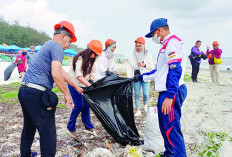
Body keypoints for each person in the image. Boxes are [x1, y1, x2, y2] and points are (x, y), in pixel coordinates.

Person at [18, 21, 83, 157]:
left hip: (25, 91)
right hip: (36, 93)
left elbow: (60, 71)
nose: (69, 44)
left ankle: (25, 154)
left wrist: (75, 85)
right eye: (70, 40)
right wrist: (67, 94)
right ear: (63, 36)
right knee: (48, 132)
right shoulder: (57, 47)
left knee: (29, 127)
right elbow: (55, 73)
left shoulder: (48, 44)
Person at [134, 18, 187, 157]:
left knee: (171, 128)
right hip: (167, 90)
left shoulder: (172, 42)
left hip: (171, 91)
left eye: (152, 35)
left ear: (159, 30)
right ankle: (169, 153)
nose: (153, 38)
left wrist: (170, 95)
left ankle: (178, 154)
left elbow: (175, 69)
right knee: (164, 126)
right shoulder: (165, 45)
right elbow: (159, 71)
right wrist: (141, 77)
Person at [67, 40, 102, 136]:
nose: (96, 57)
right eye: (95, 54)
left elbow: (93, 72)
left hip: (85, 84)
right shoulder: (79, 59)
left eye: (97, 55)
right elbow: (79, 76)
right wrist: (90, 86)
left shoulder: (93, 60)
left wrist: (91, 78)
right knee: (78, 105)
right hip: (74, 84)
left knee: (87, 105)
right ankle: (70, 127)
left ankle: (88, 126)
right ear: (89, 51)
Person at [127, 37, 154, 116]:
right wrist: (129, 77)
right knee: (137, 94)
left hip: (145, 76)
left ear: (143, 45)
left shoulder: (148, 54)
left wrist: (144, 65)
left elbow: (152, 66)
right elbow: (129, 66)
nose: (138, 48)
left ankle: (145, 104)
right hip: (136, 76)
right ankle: (138, 109)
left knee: (146, 93)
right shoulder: (132, 55)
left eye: (140, 46)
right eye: (137, 46)